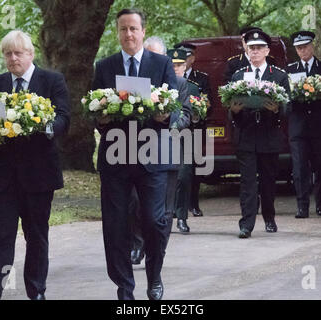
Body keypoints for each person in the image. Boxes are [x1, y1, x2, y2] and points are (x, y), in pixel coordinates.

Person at [0, 30, 71, 300]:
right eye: (8, 53)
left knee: (37, 235)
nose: (13, 58)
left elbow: (64, 116)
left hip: (39, 173)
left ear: (31, 54)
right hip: (3, 174)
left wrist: (46, 125)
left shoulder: (52, 80)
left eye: (18, 53)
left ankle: (36, 290)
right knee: (3, 234)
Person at [92, 8, 177, 300]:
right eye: (123, 29)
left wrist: (164, 113)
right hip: (116, 157)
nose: (128, 34)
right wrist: (100, 118)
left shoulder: (162, 64)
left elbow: (173, 110)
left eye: (133, 29)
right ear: (117, 33)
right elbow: (94, 110)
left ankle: (154, 276)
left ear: (142, 31)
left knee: (154, 221)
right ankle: (124, 288)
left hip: (152, 156)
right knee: (116, 225)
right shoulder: (105, 66)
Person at [129, 39, 192, 264]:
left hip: (167, 148)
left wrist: (169, 122)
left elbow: (185, 114)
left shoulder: (178, 83)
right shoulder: (134, 83)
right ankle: (138, 245)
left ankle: (158, 251)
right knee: (135, 202)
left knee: (164, 209)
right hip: (137, 150)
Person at [228, 30, 290, 238]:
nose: (254, 52)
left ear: (267, 51)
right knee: (247, 182)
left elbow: (287, 108)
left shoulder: (279, 75)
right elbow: (231, 108)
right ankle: (246, 224)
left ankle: (269, 217)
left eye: (258, 48)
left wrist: (276, 110)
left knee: (268, 181)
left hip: (269, 136)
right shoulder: (238, 75)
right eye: (251, 48)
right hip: (246, 136)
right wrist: (234, 111)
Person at [286, 31, 321, 218]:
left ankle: (320, 200)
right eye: (299, 48)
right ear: (296, 50)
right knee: (299, 169)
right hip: (298, 127)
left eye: (306, 47)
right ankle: (302, 206)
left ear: (312, 47)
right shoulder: (290, 69)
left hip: (319, 126)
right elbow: (285, 98)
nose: (303, 51)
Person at [173, 42, 210, 217]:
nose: (177, 68)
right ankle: (172, 209)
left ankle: (188, 209)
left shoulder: (197, 82)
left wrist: (198, 112)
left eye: (180, 64)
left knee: (189, 172)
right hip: (170, 134)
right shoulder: (164, 82)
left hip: (191, 133)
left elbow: (205, 106)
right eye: (173, 65)